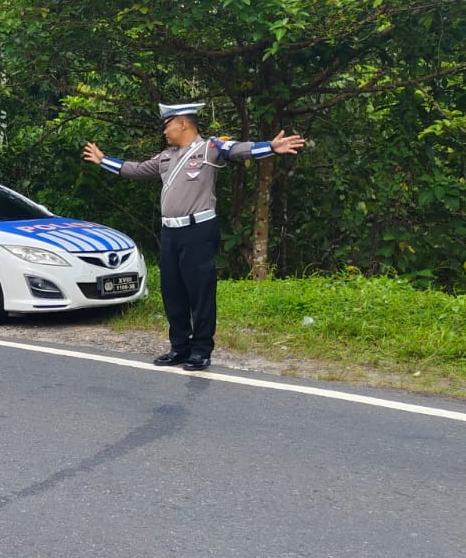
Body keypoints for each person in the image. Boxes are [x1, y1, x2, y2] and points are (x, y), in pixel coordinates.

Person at [82, 103, 305, 371]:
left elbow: (238, 150)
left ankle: (200, 350)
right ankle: (179, 347)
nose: (165, 131)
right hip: (170, 233)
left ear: (183, 123)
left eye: (167, 125)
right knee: (172, 292)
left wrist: (270, 147)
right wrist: (102, 159)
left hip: (198, 231)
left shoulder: (211, 148)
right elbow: (136, 169)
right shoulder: (166, 157)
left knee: (200, 292)